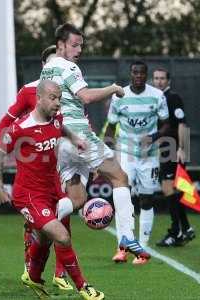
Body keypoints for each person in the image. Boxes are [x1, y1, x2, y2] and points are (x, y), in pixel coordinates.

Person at [40, 23, 150, 263]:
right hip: (78, 135)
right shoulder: (69, 67)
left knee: (78, 199)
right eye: (74, 45)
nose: (79, 50)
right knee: (120, 177)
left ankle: (39, 220)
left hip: (59, 138)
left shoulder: (47, 69)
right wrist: (113, 88)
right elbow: (86, 97)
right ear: (60, 45)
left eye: (81, 45)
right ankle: (126, 237)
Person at [0, 79, 104, 300]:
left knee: (45, 239)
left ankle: (32, 276)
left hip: (52, 190)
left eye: (59, 99)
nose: (57, 103)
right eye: (53, 98)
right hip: (29, 196)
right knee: (62, 236)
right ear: (39, 98)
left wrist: (75, 139)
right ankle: (83, 287)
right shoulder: (19, 128)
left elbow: (60, 128)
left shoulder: (56, 119)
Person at [0, 45, 74, 291]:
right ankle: (32, 268)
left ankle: (60, 272)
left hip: (55, 162)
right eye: (50, 65)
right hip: (32, 165)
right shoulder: (29, 90)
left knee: (62, 216)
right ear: (42, 66)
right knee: (40, 226)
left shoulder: (67, 88)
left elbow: (64, 123)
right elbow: (8, 120)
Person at [104, 61, 170, 263]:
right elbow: (110, 126)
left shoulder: (157, 96)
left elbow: (167, 124)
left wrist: (154, 136)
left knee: (147, 200)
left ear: (146, 75)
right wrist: (106, 154)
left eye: (142, 73)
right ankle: (121, 248)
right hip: (125, 154)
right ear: (130, 74)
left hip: (149, 156)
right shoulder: (119, 96)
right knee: (123, 200)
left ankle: (142, 249)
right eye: (135, 73)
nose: (138, 76)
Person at [152, 67, 196, 247]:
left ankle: (175, 231)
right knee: (172, 190)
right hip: (164, 150)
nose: (159, 81)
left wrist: (182, 149)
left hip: (173, 150)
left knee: (169, 189)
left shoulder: (172, 98)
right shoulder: (157, 98)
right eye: (156, 78)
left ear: (168, 81)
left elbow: (182, 123)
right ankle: (185, 228)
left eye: (162, 78)